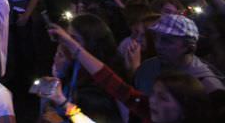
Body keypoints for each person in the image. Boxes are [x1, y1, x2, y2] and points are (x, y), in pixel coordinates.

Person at [45, 23, 214, 123]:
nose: (153, 101)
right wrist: (61, 101)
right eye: (154, 94)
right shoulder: (146, 109)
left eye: (163, 98)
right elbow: (108, 79)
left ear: (185, 108)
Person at [133, 14, 225, 94]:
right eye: (156, 38)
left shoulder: (208, 86)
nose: (157, 45)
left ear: (189, 47)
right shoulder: (149, 66)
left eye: (167, 40)